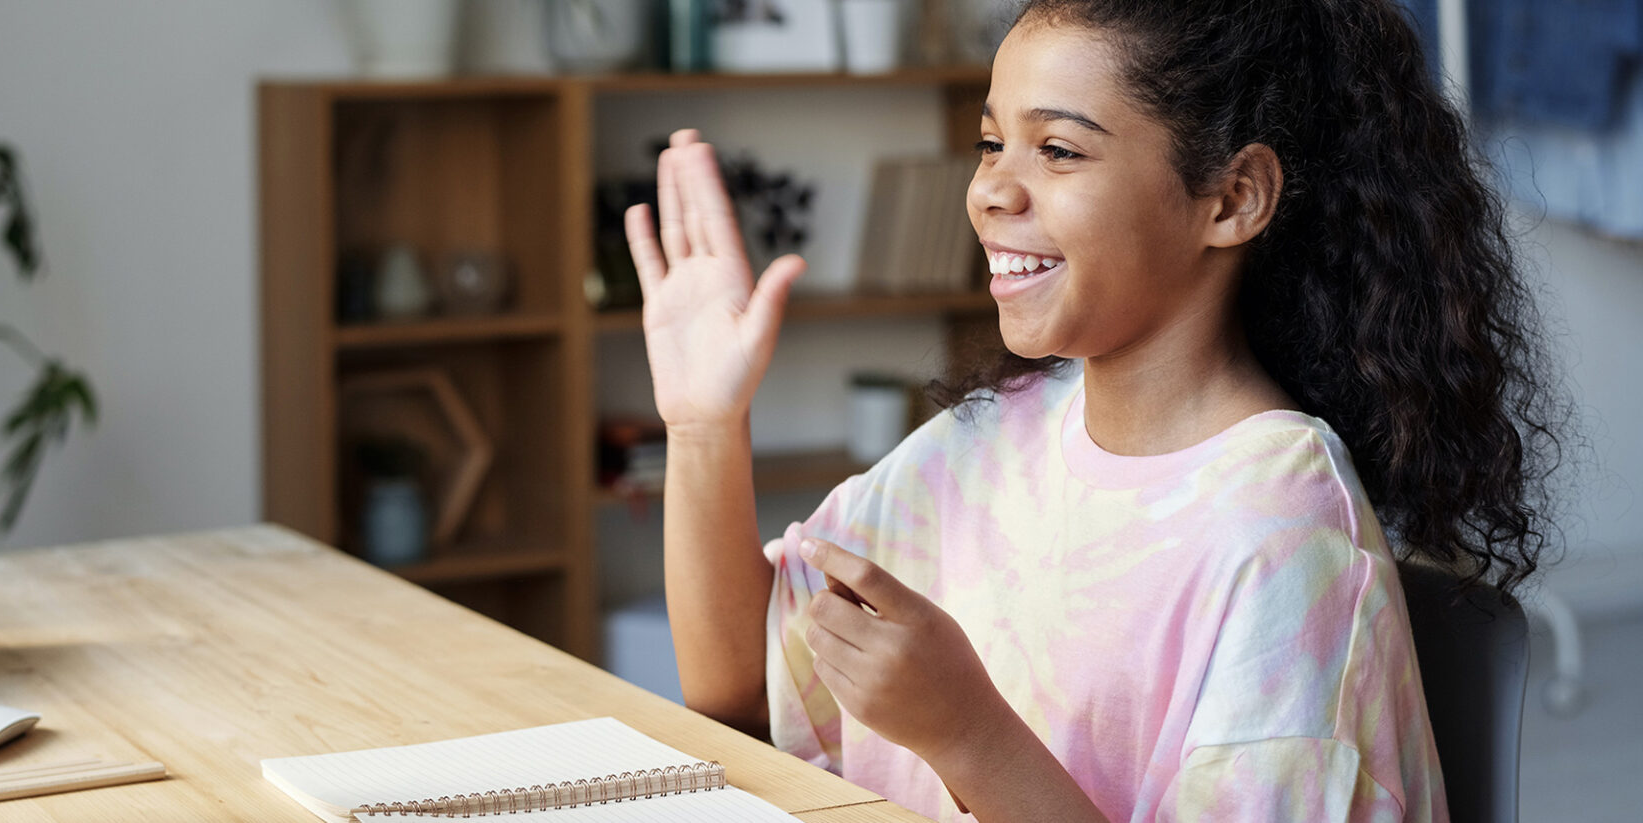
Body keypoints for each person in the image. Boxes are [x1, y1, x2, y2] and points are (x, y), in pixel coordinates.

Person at [622, 0, 1569, 820]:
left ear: (1233, 198)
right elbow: (740, 684)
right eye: (993, 141)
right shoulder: (986, 442)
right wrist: (706, 424)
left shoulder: (1285, 543)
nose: (991, 189)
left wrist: (970, 736)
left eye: (1059, 149)